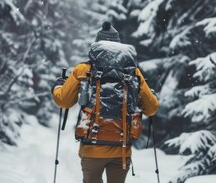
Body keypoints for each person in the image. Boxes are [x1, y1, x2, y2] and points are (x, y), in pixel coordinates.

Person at [52, 22, 159, 183]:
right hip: (121, 149)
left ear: (96, 46)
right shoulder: (133, 73)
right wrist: (149, 94)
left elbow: (64, 101)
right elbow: (151, 109)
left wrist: (58, 86)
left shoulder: (84, 70)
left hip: (91, 147)